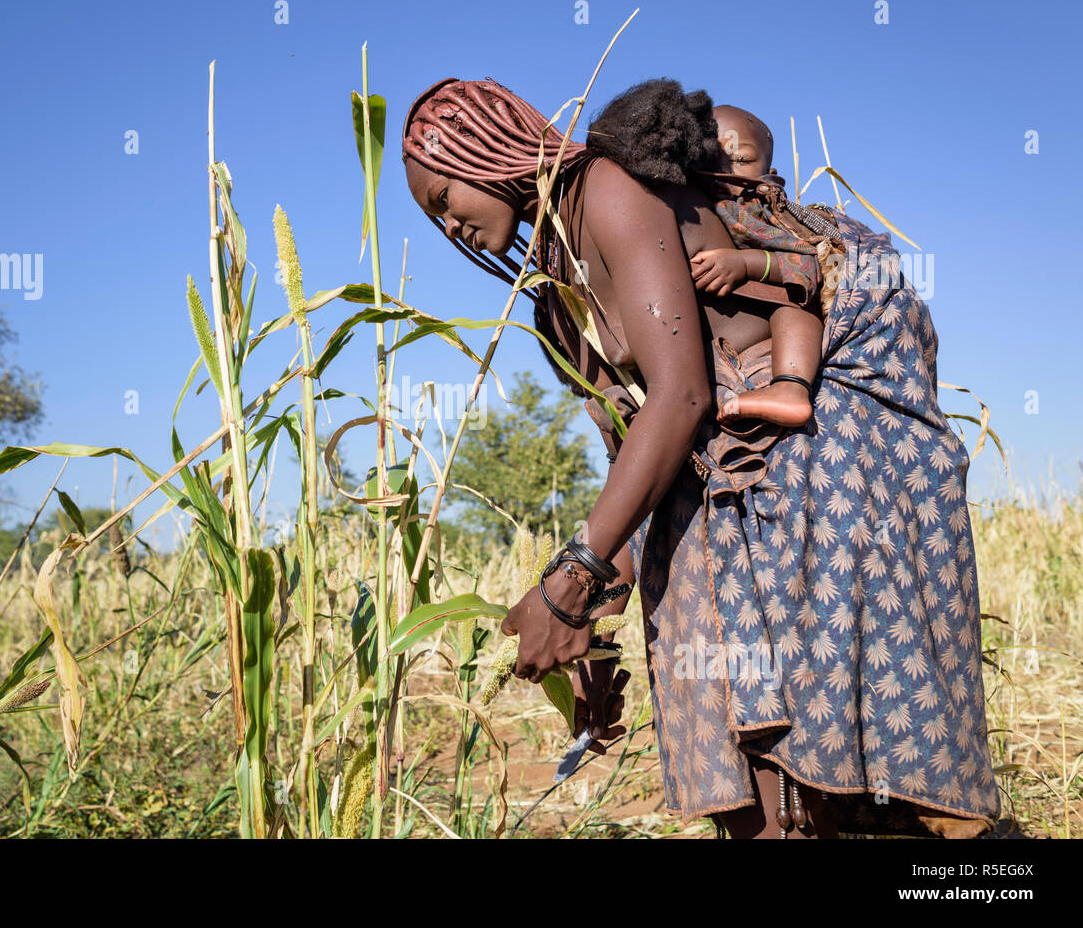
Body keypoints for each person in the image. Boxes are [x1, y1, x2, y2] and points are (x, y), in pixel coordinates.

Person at [402, 75, 1000, 838]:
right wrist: (588, 616)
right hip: (720, 494)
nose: (446, 225)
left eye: (444, 197)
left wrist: (565, 585)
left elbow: (681, 399)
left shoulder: (608, 191)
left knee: (869, 788)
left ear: (483, 152)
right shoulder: (552, 297)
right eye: (431, 217)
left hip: (819, 462)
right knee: (769, 801)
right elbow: (638, 463)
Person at [689, 105, 831, 428]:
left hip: (790, 300)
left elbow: (804, 264)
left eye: (741, 159)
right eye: (711, 157)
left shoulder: (761, 210)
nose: (726, 168)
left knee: (793, 302)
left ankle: (790, 387)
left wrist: (745, 264)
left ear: (770, 174)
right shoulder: (703, 206)